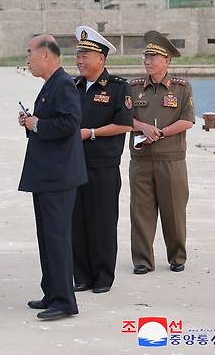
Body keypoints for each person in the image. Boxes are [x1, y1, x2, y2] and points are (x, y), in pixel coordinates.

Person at [18, 35, 87, 321]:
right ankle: (52, 292)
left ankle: (65, 301)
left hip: (58, 176)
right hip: (46, 175)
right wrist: (31, 122)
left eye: (30, 53)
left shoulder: (64, 84)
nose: (28, 59)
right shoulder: (51, 84)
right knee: (46, 237)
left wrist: (38, 124)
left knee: (57, 238)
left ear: (45, 55)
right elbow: (51, 122)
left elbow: (71, 122)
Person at [72, 26, 133, 294]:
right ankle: (82, 276)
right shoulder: (73, 86)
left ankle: (103, 277)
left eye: (85, 55)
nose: (80, 60)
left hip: (103, 166)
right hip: (73, 164)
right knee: (77, 222)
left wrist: (92, 133)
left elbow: (125, 125)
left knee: (103, 222)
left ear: (101, 59)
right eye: (78, 55)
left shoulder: (119, 87)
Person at [129, 31, 194, 275]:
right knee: (141, 212)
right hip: (141, 159)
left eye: (154, 57)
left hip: (171, 160)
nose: (148, 61)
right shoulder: (133, 88)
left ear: (166, 61)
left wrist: (162, 132)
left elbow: (188, 121)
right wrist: (143, 127)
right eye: (146, 56)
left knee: (174, 211)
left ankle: (177, 257)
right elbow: (125, 117)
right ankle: (142, 261)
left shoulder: (181, 88)